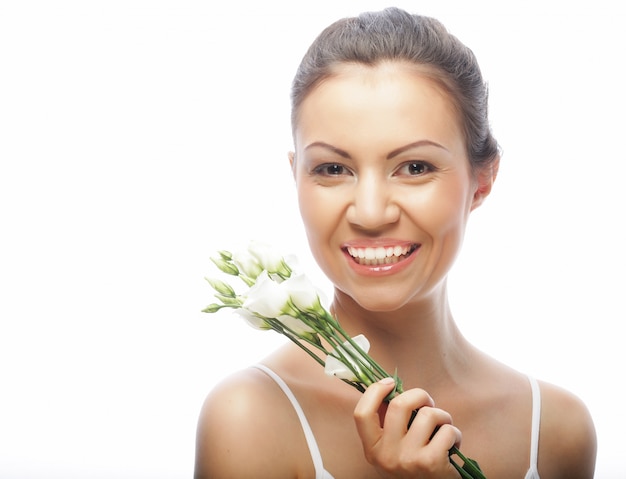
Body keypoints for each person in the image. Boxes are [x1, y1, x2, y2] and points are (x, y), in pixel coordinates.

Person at [195, 7, 597, 478]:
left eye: (415, 167)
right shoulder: (249, 420)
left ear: (481, 180)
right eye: (332, 169)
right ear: (296, 176)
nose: (370, 212)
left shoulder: (556, 430)